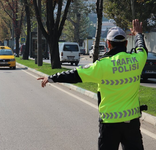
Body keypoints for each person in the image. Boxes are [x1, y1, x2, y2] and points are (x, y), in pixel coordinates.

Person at [37, 19, 147, 150]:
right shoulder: (137, 60)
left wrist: (50, 78)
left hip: (109, 125)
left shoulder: (101, 66)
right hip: (132, 124)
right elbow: (141, 48)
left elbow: (74, 74)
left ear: (108, 44)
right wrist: (138, 34)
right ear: (126, 43)